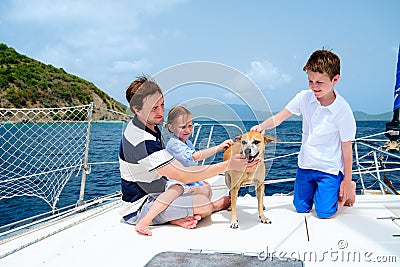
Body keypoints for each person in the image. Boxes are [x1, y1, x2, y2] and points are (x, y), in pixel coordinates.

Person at [119, 75, 257, 236]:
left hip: (159, 191)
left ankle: (175, 217)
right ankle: (213, 207)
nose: (161, 112)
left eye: (162, 105)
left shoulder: (149, 125)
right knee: (204, 204)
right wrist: (228, 165)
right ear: (137, 110)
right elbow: (183, 175)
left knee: (205, 191)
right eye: (153, 108)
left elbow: (179, 170)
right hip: (140, 205)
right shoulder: (141, 141)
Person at [251, 49, 356, 219]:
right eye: (310, 81)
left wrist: (347, 181)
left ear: (335, 79)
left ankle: (345, 193)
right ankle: (321, 192)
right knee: (300, 208)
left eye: (319, 82)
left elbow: (347, 147)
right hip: (306, 164)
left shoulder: (342, 110)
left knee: (325, 212)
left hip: (329, 168)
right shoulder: (304, 98)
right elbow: (278, 118)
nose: (314, 87)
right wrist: (262, 126)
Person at [165, 105, 233, 196]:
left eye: (190, 126)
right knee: (204, 190)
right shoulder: (174, 144)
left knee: (206, 187)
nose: (187, 130)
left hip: (188, 177)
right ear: (171, 127)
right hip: (179, 180)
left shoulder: (187, 142)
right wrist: (218, 148)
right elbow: (194, 157)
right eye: (183, 127)